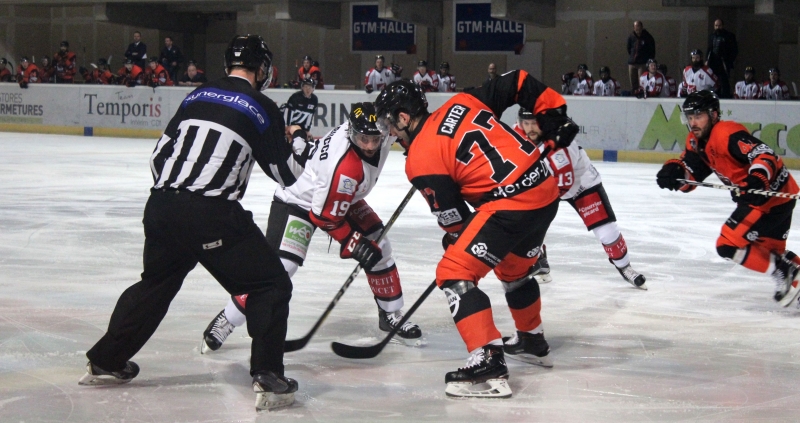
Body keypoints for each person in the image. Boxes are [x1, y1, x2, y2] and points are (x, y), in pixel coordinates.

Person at [80, 34, 311, 412]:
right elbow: (288, 174)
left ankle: (106, 359)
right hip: (211, 215)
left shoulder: (196, 95)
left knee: (156, 282)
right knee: (269, 284)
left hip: (160, 206)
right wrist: (298, 139)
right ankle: (269, 376)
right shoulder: (262, 105)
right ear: (262, 69)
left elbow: (158, 158)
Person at [374, 74, 579, 398]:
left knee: (454, 271)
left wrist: (456, 240)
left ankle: (488, 359)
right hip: (545, 189)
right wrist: (553, 113)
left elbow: (456, 223)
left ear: (403, 116)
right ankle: (531, 339)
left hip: (511, 205)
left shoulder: (419, 159)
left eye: (390, 125)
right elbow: (518, 80)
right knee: (514, 270)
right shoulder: (462, 101)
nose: (391, 134)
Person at [201, 102, 423, 354]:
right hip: (299, 201)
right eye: (364, 139)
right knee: (281, 268)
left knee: (380, 247)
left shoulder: (379, 129)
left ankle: (390, 314)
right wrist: (354, 244)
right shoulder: (345, 168)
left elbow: (405, 132)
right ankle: (228, 318)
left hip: (341, 197)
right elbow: (326, 218)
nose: (370, 146)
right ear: (351, 133)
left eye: (375, 139)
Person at [656, 90, 800, 308]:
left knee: (727, 245)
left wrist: (757, 179)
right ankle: (787, 269)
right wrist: (675, 173)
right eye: (690, 117)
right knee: (771, 253)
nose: (693, 122)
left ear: (713, 115)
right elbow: (692, 174)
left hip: (765, 197)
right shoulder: (696, 141)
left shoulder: (726, 133)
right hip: (776, 198)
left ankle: (784, 271)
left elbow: (764, 154)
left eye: (698, 116)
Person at [514, 108, 646, 289]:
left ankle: (625, 267)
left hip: (581, 183)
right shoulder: (516, 134)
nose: (530, 128)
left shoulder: (561, 143)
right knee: (525, 224)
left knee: (607, 231)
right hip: (546, 183)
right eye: (526, 123)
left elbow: (564, 180)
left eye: (534, 123)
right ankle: (539, 261)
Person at [706, 19, 738, 99]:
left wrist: (729, 61)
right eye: (716, 26)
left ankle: (725, 96)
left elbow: (734, 50)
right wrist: (707, 60)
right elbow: (709, 49)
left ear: (722, 26)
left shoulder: (729, 36)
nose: (717, 27)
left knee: (724, 81)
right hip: (713, 62)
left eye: (719, 26)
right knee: (713, 80)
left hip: (724, 63)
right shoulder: (712, 36)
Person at [627, 21, 656, 92]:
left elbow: (652, 49)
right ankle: (634, 94)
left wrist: (647, 61)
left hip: (642, 63)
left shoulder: (647, 37)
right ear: (634, 28)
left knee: (642, 81)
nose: (637, 29)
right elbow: (628, 48)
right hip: (632, 63)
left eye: (639, 27)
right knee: (633, 83)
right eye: (636, 28)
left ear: (642, 27)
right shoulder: (631, 36)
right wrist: (632, 57)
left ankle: (642, 94)